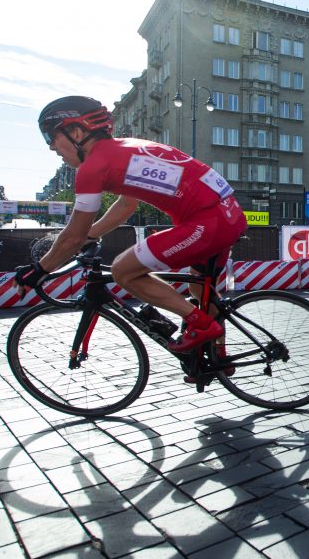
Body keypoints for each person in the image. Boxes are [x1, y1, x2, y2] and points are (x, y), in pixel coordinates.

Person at [14, 96, 248, 377]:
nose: (52, 147)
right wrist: (92, 235)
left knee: (123, 270)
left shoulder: (93, 167)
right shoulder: (128, 150)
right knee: (201, 289)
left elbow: (72, 237)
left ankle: (201, 325)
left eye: (51, 137)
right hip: (228, 214)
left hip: (206, 222)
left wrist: (38, 271)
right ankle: (218, 357)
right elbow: (125, 205)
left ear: (76, 132)